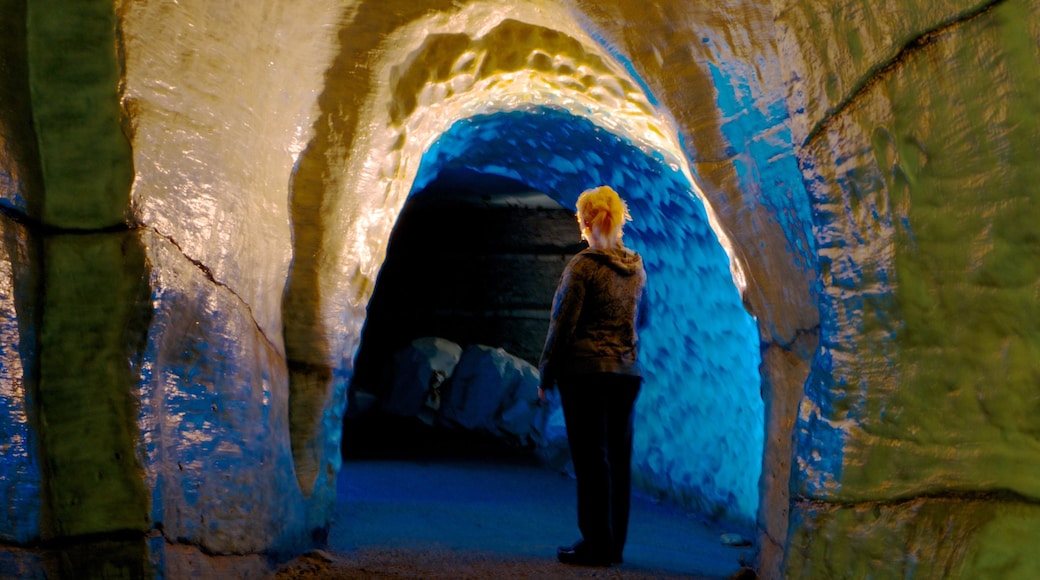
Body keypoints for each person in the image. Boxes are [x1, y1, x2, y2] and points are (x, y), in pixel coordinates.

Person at [538, 185, 647, 567]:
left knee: (591, 458)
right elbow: (642, 319)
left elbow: (562, 323)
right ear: (619, 219)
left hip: (586, 372)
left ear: (584, 221)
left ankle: (595, 544)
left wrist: (546, 371)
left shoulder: (583, 266)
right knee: (617, 458)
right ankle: (613, 545)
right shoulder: (636, 266)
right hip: (626, 372)